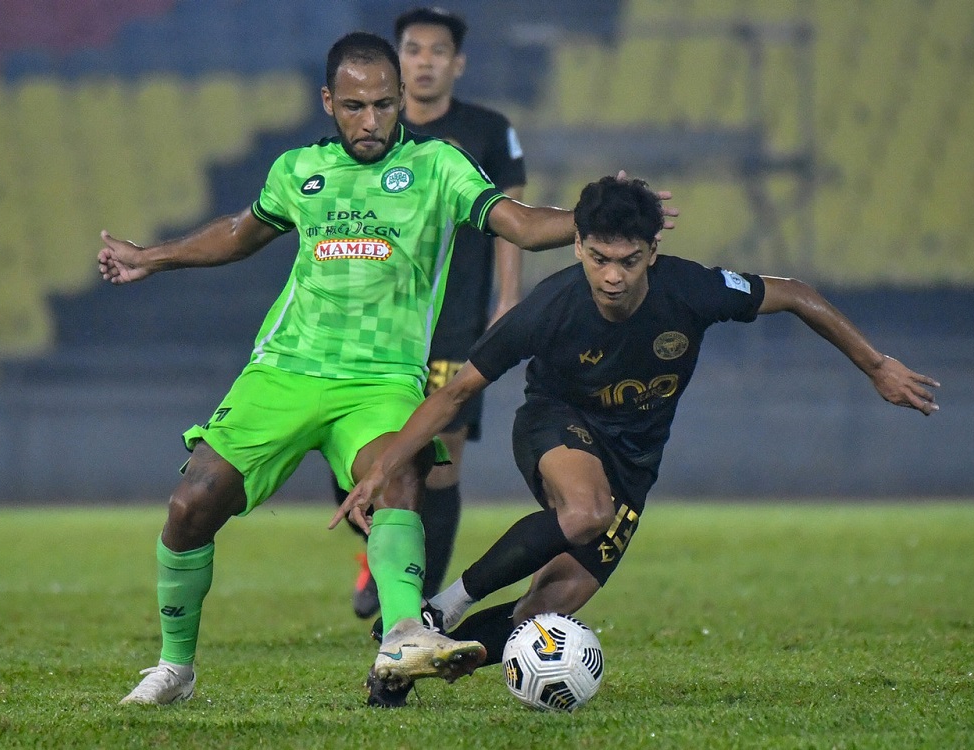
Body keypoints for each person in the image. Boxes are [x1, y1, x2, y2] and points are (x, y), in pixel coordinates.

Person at [99, 33, 671, 708]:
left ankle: (403, 631)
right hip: (285, 370)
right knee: (192, 505)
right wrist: (151, 256)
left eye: (382, 104)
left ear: (402, 100)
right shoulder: (298, 170)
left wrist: (601, 218)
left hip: (382, 378)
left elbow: (515, 221)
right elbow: (240, 230)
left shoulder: (438, 167)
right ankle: (175, 669)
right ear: (328, 103)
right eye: (353, 106)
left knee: (401, 475)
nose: (370, 120)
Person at [336, 175, 940, 707]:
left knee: (546, 611)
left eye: (628, 260)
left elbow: (796, 294)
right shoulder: (552, 307)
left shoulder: (693, 290)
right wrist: (384, 466)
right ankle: (442, 608)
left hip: (633, 463)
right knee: (586, 511)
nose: (612, 276)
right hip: (554, 425)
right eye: (599, 258)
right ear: (577, 247)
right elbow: (455, 392)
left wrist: (875, 364)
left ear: (654, 251)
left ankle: (407, 668)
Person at [332, 6, 529, 621]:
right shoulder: (370, 139)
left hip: (456, 321)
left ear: (457, 63)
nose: (424, 61)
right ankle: (379, 555)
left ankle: (414, 597)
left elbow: (511, 220)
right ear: (396, 61)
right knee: (353, 456)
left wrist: (508, 298)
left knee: (438, 462)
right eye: (413, 50)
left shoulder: (490, 130)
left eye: (436, 51)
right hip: (373, 323)